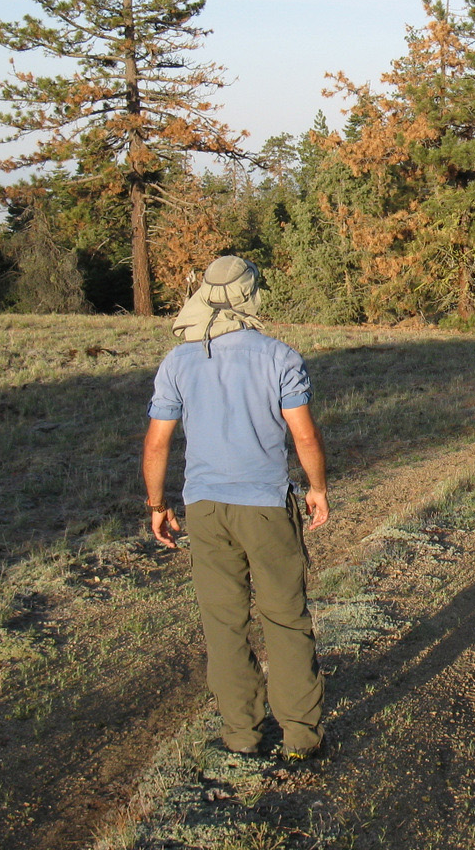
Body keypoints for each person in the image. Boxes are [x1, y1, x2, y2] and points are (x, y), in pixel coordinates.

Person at [141, 255, 328, 760]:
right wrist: (317, 488)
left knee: (223, 624)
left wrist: (157, 504)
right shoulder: (279, 356)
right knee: (285, 618)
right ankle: (301, 738)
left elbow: (157, 443)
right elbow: (303, 435)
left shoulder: (177, 361)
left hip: (204, 508)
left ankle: (242, 735)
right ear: (252, 294)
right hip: (265, 505)